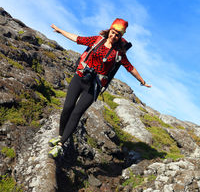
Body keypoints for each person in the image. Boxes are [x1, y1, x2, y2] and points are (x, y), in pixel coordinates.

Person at [48, 18, 151, 159]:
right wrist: (60, 31)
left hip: (93, 86)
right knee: (67, 108)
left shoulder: (118, 53)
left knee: (77, 113)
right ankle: (60, 135)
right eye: (113, 33)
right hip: (79, 77)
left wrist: (142, 81)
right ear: (110, 30)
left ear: (120, 37)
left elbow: (130, 68)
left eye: (117, 35)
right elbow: (78, 39)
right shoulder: (97, 40)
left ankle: (60, 145)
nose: (114, 36)